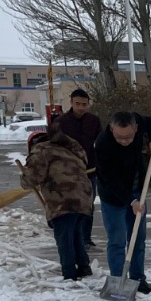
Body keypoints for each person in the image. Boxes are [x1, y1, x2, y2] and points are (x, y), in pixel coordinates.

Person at [93, 110, 151, 294]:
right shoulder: (103, 144)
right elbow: (110, 180)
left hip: (136, 187)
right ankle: (118, 280)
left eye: (128, 137)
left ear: (136, 128)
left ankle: (138, 279)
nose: (124, 141)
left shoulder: (140, 122)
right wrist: (131, 201)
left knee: (138, 238)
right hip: (112, 195)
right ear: (111, 128)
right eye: (119, 137)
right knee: (117, 240)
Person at [20, 124, 94, 280]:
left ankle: (69, 274)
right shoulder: (72, 148)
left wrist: (24, 179)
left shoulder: (42, 150)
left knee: (64, 238)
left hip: (62, 200)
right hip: (84, 198)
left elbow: (32, 177)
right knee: (75, 234)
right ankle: (84, 268)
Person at [53, 89, 102, 248]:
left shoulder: (94, 120)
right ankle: (74, 239)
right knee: (72, 206)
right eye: (77, 104)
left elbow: (100, 143)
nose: (81, 107)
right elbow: (53, 147)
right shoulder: (61, 122)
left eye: (84, 104)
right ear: (71, 103)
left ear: (88, 104)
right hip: (68, 172)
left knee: (88, 205)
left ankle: (86, 239)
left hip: (90, 170)